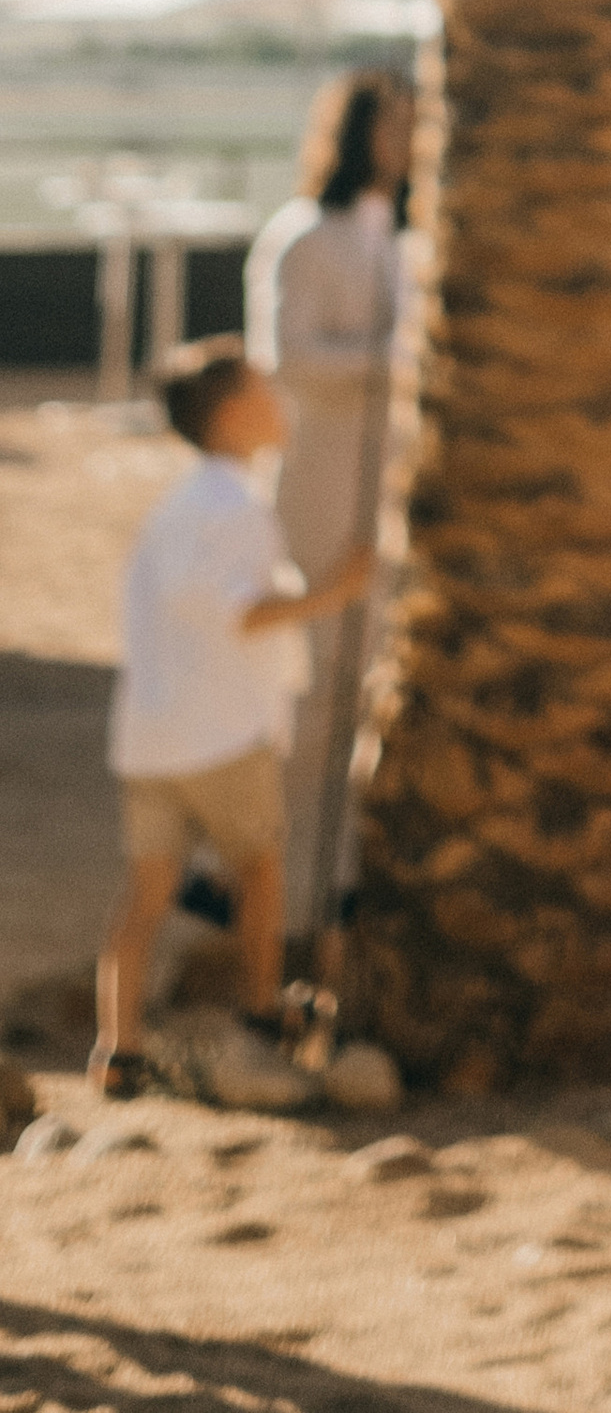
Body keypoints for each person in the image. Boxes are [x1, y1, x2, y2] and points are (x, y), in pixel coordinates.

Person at [93, 337, 370, 1095]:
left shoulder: (176, 507)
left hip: (150, 735)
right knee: (261, 872)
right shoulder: (235, 505)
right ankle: (258, 1017)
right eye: (262, 390)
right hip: (221, 731)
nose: (277, 402)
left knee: (145, 893)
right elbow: (241, 612)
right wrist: (336, 592)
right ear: (234, 414)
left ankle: (119, 1048)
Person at [243, 70, 415, 937]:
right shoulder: (303, 236)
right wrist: (395, 356)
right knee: (307, 687)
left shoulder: (398, 239)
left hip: (381, 486)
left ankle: (333, 883)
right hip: (316, 481)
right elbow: (290, 356)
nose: (404, 142)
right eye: (389, 126)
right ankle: (247, 878)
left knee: (362, 688)